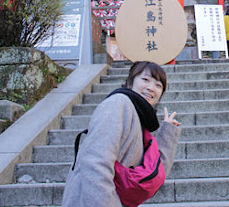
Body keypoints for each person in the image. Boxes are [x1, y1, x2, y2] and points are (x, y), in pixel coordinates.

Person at [62, 61, 181, 206]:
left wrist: (168, 132)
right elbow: (96, 162)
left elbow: (151, 177)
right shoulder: (118, 104)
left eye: (158, 85)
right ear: (130, 82)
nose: (151, 88)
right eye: (145, 80)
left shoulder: (139, 118)